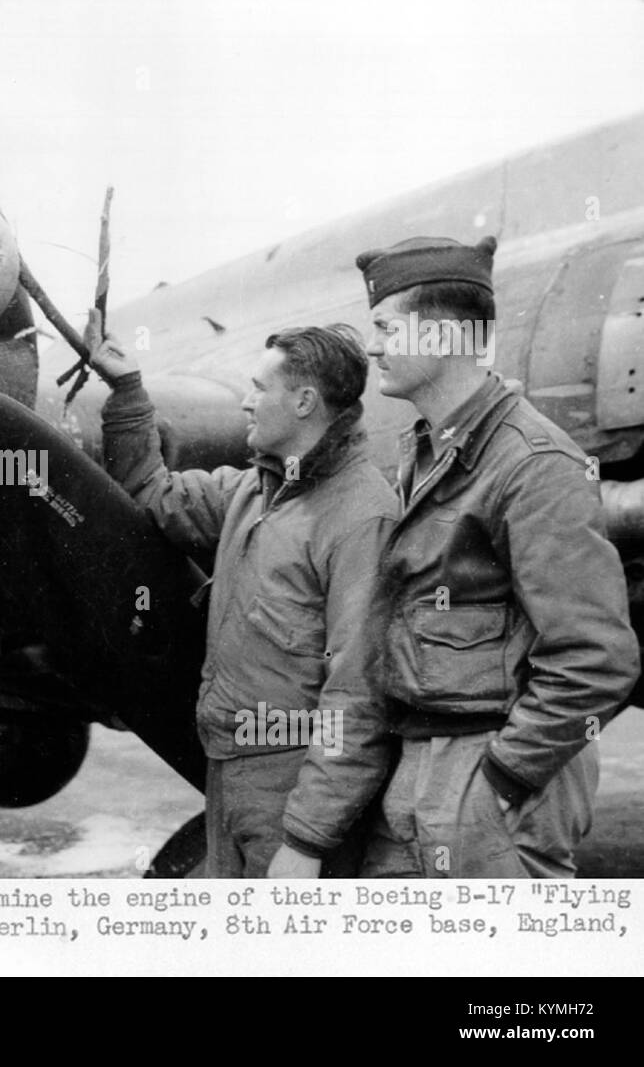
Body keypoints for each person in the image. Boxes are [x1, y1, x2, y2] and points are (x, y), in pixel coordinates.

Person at [356, 234, 640, 877]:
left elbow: (596, 658)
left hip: (492, 775)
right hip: (420, 761)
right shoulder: (425, 451)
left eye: (383, 326)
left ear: (442, 336)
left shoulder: (532, 463)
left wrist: (502, 783)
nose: (371, 345)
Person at [92, 322, 398, 877]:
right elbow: (152, 492)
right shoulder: (253, 491)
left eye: (260, 389)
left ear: (304, 401)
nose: (247, 403)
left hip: (291, 787)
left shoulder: (361, 517)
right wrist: (128, 392)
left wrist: (306, 842)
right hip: (228, 770)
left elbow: (358, 700)